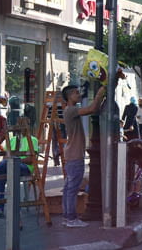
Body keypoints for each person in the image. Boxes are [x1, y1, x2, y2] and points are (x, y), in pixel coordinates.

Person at [61, 84, 106, 228]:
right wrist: (100, 92)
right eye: (75, 93)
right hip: (75, 155)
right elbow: (92, 109)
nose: (79, 94)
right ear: (69, 96)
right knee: (72, 188)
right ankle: (71, 219)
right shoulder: (71, 110)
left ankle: (68, 216)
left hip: (72, 154)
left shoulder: (70, 110)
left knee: (69, 187)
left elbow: (94, 109)